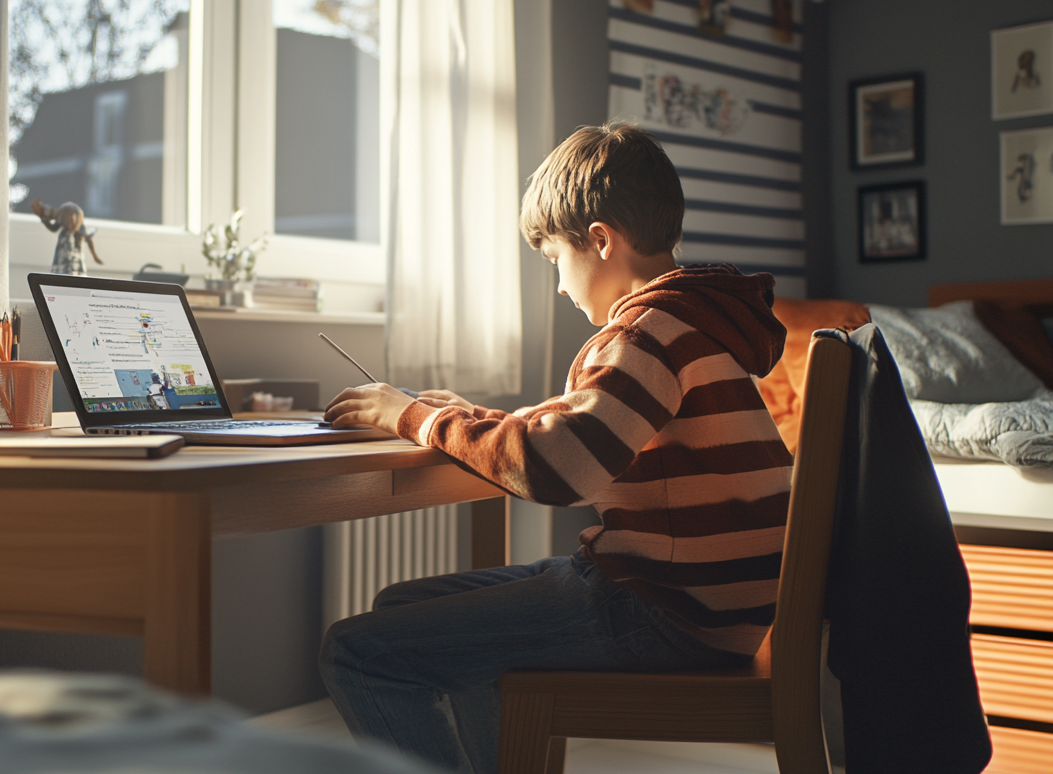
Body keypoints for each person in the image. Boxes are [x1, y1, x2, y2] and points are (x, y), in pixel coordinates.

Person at [319, 122, 792, 774]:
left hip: (667, 612)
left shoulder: (646, 331)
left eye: (554, 261)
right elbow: (583, 427)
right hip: (700, 601)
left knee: (356, 650)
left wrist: (416, 419)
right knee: (399, 608)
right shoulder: (691, 318)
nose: (561, 286)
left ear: (600, 241)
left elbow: (555, 467)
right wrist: (468, 416)